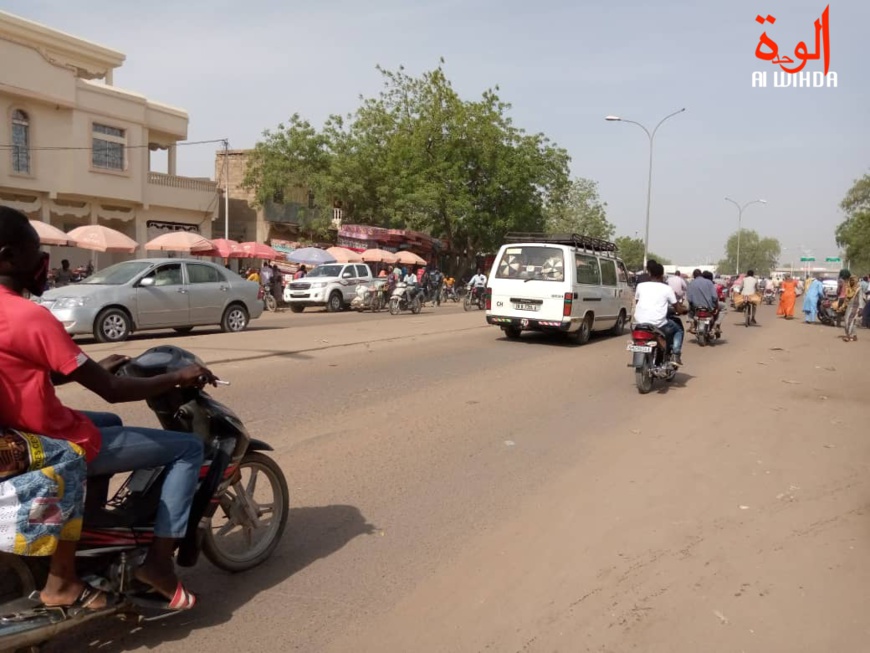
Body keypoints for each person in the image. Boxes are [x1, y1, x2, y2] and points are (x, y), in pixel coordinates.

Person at [0, 207, 213, 611]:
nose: (41, 258)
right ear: (10, 256)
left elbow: (35, 370)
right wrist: (177, 377)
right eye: (34, 248)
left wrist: (94, 367)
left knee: (111, 423)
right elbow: (112, 390)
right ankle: (159, 565)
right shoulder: (29, 316)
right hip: (53, 440)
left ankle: (87, 526)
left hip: (18, 430)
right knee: (187, 448)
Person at [633, 261, 685, 366]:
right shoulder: (667, 288)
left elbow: (638, 302)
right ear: (662, 275)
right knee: (678, 330)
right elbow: (677, 308)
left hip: (639, 322)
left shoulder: (641, 286)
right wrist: (684, 310)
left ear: (649, 274)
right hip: (658, 324)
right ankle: (675, 354)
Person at [687, 269, 719, 334]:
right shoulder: (709, 282)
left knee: (687, 310)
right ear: (701, 274)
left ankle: (691, 323)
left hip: (696, 308)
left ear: (694, 276)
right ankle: (716, 324)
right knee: (724, 307)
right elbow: (715, 297)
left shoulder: (691, 284)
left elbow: (689, 299)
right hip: (709, 307)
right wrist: (716, 306)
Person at [841, 275, 861, 342]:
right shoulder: (848, 288)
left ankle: (848, 336)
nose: (852, 281)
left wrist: (860, 308)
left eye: (853, 280)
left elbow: (861, 299)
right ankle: (853, 335)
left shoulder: (859, 289)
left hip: (856, 307)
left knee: (849, 321)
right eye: (851, 280)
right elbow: (846, 299)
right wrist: (843, 306)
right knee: (849, 321)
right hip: (849, 306)